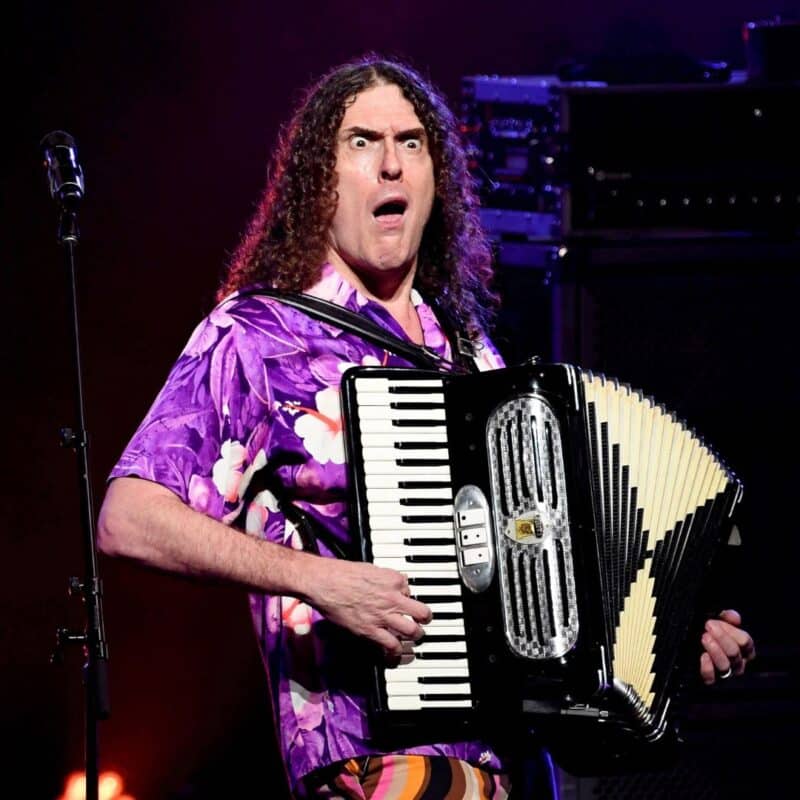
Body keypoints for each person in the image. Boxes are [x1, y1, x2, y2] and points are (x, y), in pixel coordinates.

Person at [97, 55, 756, 799]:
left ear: (437, 180)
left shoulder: (470, 352)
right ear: (319, 179)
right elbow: (129, 516)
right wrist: (321, 582)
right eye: (360, 143)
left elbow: (549, 564)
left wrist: (666, 638)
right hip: (377, 761)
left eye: (412, 143)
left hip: (515, 763)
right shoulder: (255, 336)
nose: (389, 166)